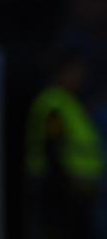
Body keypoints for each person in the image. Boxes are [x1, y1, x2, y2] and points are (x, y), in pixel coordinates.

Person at [24, 49, 104, 239]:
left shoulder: (71, 101)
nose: (80, 76)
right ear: (62, 72)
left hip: (78, 190)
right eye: (75, 71)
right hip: (59, 189)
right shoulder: (54, 104)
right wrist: (69, 181)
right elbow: (53, 148)